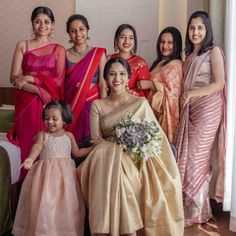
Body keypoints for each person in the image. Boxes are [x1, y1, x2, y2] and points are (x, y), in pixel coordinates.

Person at [77, 57, 184, 236]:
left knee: (122, 174)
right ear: (106, 78)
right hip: (103, 158)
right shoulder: (98, 105)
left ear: (128, 78)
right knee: (109, 159)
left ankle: (112, 231)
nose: (116, 78)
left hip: (132, 156)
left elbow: (153, 136)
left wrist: (125, 144)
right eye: (111, 74)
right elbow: (96, 141)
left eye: (121, 74)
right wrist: (114, 147)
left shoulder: (139, 103)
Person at [174, 11, 226, 226]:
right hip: (191, 110)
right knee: (186, 158)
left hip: (208, 110)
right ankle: (194, 209)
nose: (195, 32)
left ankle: (197, 212)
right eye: (192, 28)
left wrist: (192, 94)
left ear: (207, 30)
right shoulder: (189, 56)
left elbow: (219, 83)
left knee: (197, 159)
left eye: (200, 28)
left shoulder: (214, 51)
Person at [12, 100, 93, 236]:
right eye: (47, 118)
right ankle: (44, 231)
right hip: (46, 178)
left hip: (65, 179)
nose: (50, 122)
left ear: (65, 120)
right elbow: (37, 147)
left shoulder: (69, 136)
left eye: (54, 119)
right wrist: (31, 158)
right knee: (46, 203)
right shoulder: (43, 135)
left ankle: (63, 231)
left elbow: (77, 153)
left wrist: (93, 149)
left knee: (65, 204)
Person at [7, 6, 66, 180]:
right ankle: (25, 188)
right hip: (26, 102)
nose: (42, 26)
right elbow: (14, 78)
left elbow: (58, 81)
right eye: (38, 21)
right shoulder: (22, 45)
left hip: (48, 104)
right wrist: (37, 90)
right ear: (32, 24)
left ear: (52, 25)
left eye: (47, 22)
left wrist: (31, 79)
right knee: (28, 144)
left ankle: (46, 188)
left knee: (45, 146)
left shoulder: (59, 50)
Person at [64, 14, 107, 145]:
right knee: (70, 148)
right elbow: (59, 83)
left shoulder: (98, 54)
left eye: (81, 29)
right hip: (70, 107)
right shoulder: (63, 54)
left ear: (88, 30)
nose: (78, 33)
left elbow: (102, 85)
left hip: (92, 108)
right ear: (69, 34)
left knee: (92, 145)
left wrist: (103, 112)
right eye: (73, 30)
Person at [137, 27, 183, 143]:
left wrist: (150, 85)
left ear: (176, 45)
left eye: (170, 42)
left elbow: (173, 95)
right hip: (151, 113)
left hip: (163, 116)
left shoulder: (175, 65)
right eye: (162, 42)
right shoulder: (159, 62)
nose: (165, 45)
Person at [109, 24, 150, 97]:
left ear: (134, 41)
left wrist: (128, 93)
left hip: (130, 105)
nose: (127, 41)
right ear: (116, 40)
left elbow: (144, 93)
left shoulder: (140, 63)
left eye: (131, 38)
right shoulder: (108, 59)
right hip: (108, 103)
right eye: (122, 37)